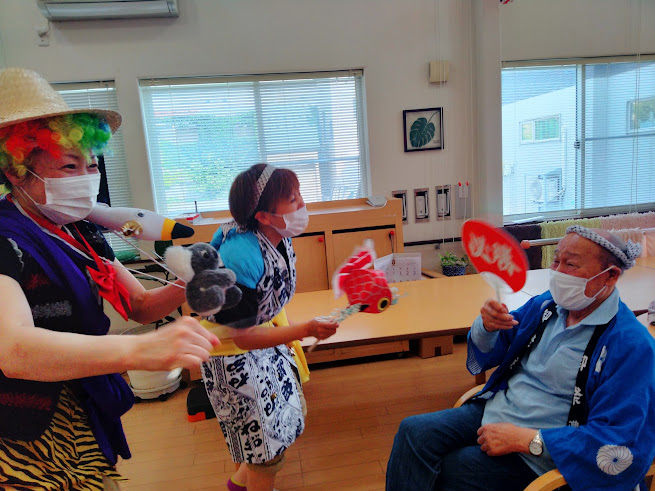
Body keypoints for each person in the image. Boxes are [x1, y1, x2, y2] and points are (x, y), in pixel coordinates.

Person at [0, 67, 220, 490]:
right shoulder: (5, 238)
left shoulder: (81, 230)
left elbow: (138, 305)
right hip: (26, 433)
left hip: (83, 411)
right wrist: (139, 349)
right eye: (69, 166)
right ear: (15, 169)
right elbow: (14, 351)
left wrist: (192, 282)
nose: (87, 178)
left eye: (91, 164)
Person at [386, 226, 655, 491]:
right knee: (413, 433)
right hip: (499, 409)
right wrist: (489, 326)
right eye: (556, 260)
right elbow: (502, 342)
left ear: (610, 276)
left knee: (448, 469)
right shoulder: (548, 306)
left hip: (545, 448)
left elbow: (619, 440)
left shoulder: (630, 345)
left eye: (571, 264)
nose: (558, 271)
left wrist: (528, 439)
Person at [199, 163, 338, 491]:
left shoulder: (276, 236)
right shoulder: (240, 257)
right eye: (292, 199)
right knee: (263, 450)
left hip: (263, 343)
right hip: (233, 358)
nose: (302, 204)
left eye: (299, 194)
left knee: (269, 436)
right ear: (262, 215)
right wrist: (305, 330)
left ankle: (241, 485)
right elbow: (244, 338)